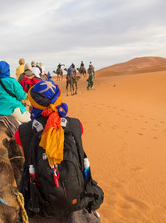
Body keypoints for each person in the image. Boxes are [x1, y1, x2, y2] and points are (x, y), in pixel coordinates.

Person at [14, 81, 103, 221]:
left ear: (34, 103)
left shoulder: (22, 132)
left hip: (42, 201)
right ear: (58, 98)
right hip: (75, 194)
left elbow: (26, 159)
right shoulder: (76, 125)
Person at [0, 61, 31, 125]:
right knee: (30, 119)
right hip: (12, 110)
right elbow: (21, 96)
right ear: (7, 70)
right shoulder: (12, 81)